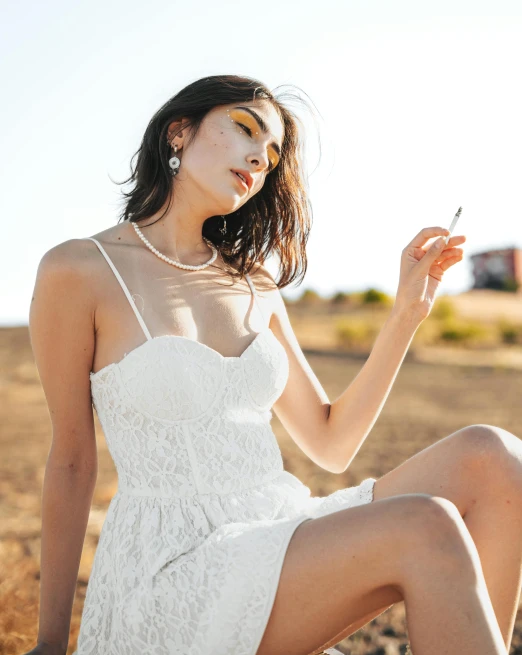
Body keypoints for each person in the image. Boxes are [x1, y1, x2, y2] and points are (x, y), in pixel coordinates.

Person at [25, 74, 518, 655]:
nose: (261, 156)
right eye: (244, 129)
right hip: (173, 565)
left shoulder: (255, 285)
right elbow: (73, 460)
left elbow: (331, 444)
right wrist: (51, 643)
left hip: (276, 528)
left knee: (495, 457)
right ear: (178, 133)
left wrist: (405, 313)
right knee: (427, 524)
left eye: (273, 152)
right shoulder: (80, 270)